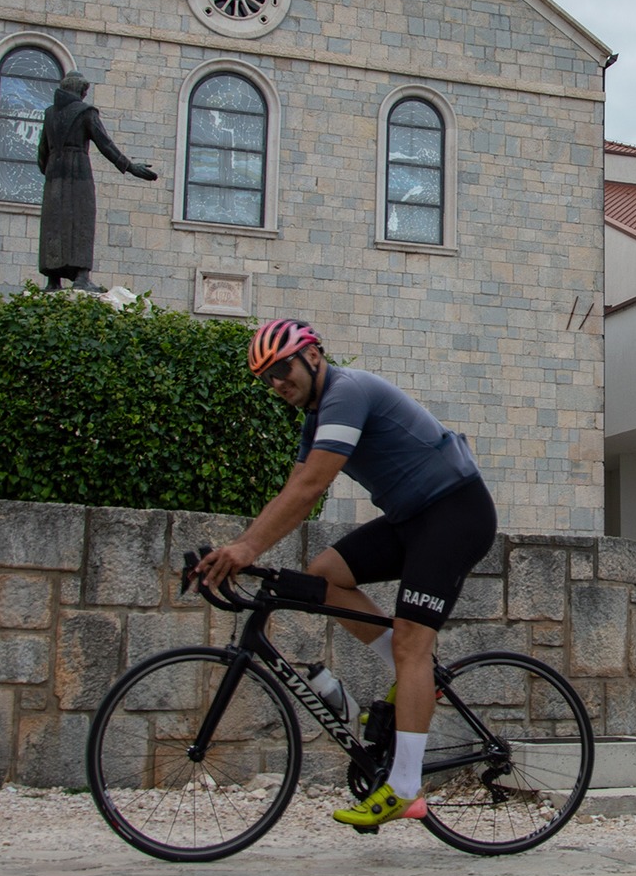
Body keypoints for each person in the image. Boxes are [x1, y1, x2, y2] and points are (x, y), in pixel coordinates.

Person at [193, 319, 499, 830]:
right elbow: (294, 487)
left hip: (455, 513)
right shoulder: (315, 420)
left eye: (282, 368)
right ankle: (415, 674)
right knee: (326, 574)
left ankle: (404, 788)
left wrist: (246, 547)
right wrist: (250, 548)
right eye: (267, 376)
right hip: (412, 518)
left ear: (312, 355)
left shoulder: (347, 391)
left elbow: (313, 485)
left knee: (411, 644)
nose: (276, 383)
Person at [36, 72, 158, 291]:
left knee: (54, 223)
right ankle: (82, 277)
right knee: (81, 218)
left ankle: (53, 280)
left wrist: (52, 171)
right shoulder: (85, 112)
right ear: (81, 91)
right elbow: (106, 145)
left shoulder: (49, 114)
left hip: (54, 176)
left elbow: (41, 153)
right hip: (78, 173)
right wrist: (130, 167)